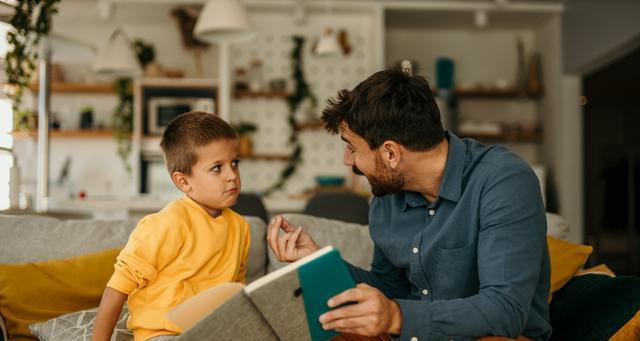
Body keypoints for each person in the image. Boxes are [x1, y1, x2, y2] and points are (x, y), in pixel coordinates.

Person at [267, 67, 551, 341]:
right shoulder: (386, 198)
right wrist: (318, 262)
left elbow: (505, 311)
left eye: (352, 147)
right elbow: (389, 288)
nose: (348, 160)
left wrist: (398, 316)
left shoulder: (502, 181)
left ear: (390, 152)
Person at [92, 111, 251, 341]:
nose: (232, 175)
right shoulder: (166, 224)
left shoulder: (241, 228)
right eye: (217, 168)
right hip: (163, 335)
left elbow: (235, 295)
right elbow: (116, 291)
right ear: (183, 181)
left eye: (234, 163)